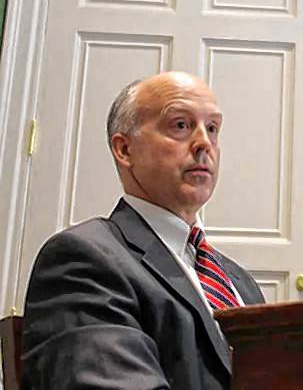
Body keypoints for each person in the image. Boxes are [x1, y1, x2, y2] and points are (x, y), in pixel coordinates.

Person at [22, 72, 265, 389]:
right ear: (124, 150)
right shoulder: (83, 260)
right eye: (180, 125)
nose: (204, 143)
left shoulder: (240, 281)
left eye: (213, 128)